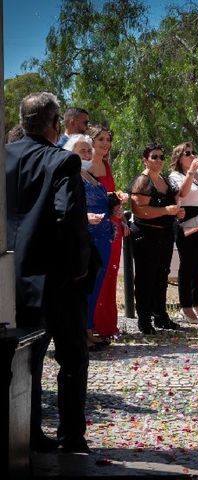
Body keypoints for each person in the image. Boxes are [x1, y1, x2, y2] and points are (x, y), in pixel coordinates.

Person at [5, 92, 97, 453]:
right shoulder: (62, 162)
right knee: (72, 357)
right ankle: (71, 435)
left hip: (14, 273)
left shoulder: (5, 157)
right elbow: (67, 218)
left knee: (26, 360)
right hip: (57, 277)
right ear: (56, 124)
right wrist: (79, 271)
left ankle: (26, 433)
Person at [129, 143, 185, 334]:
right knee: (146, 277)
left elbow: (174, 202)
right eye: (154, 157)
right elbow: (139, 211)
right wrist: (165, 211)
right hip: (146, 235)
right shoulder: (142, 181)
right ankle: (144, 320)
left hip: (165, 234)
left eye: (161, 156)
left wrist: (177, 213)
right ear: (145, 159)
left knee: (162, 275)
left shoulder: (165, 180)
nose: (159, 160)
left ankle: (160, 316)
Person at [63, 134, 113, 348]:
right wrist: (84, 218)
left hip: (103, 235)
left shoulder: (90, 175)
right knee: (85, 286)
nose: (86, 153)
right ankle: (80, 331)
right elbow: (65, 207)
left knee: (97, 284)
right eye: (81, 150)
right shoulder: (70, 176)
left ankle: (88, 327)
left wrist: (115, 208)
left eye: (87, 150)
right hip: (86, 237)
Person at [88, 125, 126, 339]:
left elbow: (109, 195)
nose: (105, 143)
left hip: (113, 225)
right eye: (101, 139)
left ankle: (106, 325)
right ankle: (91, 324)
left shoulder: (106, 165)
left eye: (108, 139)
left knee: (110, 274)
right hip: (94, 226)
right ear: (91, 141)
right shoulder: (86, 167)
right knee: (96, 274)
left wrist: (118, 203)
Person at [169, 142, 198, 322]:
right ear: (179, 158)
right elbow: (183, 194)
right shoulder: (175, 175)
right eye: (187, 153)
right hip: (187, 219)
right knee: (188, 264)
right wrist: (190, 172)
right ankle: (186, 307)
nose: (192, 155)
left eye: (193, 152)